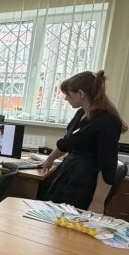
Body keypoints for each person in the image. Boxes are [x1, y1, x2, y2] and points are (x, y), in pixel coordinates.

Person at [39, 70, 127, 212]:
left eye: (68, 94)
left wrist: (98, 201)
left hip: (85, 183)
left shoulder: (107, 122)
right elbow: (67, 142)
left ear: (80, 94)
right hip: (68, 174)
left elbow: (107, 165)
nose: (65, 99)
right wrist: (50, 159)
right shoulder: (81, 113)